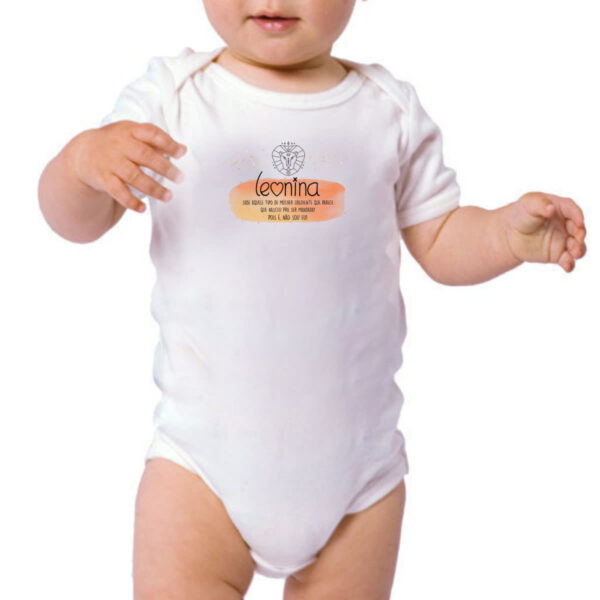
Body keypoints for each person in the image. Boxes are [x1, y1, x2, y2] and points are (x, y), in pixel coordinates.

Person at [37, 1, 587, 598]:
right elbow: (77, 223)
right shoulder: (171, 98)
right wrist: (82, 163)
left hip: (358, 484)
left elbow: (441, 239)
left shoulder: (388, 110)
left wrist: (505, 236)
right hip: (201, 472)